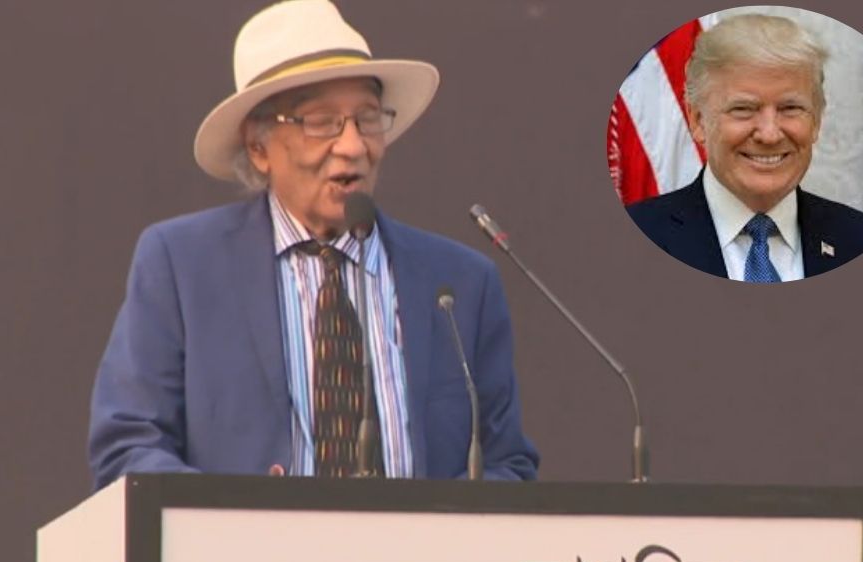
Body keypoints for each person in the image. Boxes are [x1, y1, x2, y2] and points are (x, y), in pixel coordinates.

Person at [88, 0, 538, 489]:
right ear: (258, 147)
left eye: (367, 119)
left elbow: (507, 463)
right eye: (322, 122)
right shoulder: (182, 266)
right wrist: (223, 519)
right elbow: (129, 447)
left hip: (419, 541)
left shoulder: (460, 285)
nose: (353, 146)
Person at [627, 14, 863, 282]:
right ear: (698, 121)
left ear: (816, 121)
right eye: (743, 109)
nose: (769, 134)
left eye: (790, 108)